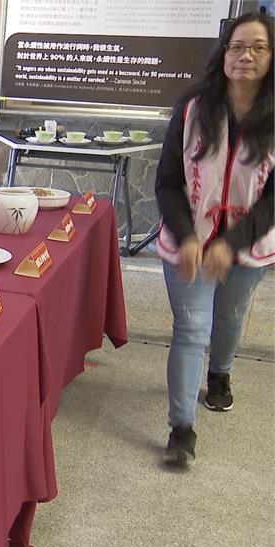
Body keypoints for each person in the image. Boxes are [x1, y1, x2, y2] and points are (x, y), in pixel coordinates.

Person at [155, 12, 273, 466]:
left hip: (249, 240)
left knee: (231, 317)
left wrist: (233, 242)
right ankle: (181, 429)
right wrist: (188, 237)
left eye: (258, 47)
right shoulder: (191, 109)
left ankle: (220, 373)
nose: (246, 55)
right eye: (237, 46)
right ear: (223, 54)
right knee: (190, 329)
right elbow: (167, 182)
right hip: (189, 239)